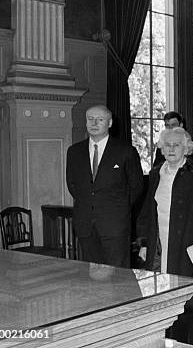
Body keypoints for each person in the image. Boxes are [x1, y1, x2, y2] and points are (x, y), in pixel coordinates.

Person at [135, 127, 193, 342]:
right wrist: (144, 243)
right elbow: (147, 209)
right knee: (158, 295)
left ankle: (184, 342)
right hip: (159, 244)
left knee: (184, 298)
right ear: (161, 149)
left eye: (176, 145)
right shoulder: (156, 173)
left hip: (187, 243)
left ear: (187, 148)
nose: (171, 149)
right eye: (167, 145)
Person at [66, 105, 144, 267]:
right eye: (90, 119)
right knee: (91, 275)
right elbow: (72, 185)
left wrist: (117, 207)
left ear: (109, 123)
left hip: (115, 225)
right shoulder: (74, 152)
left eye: (100, 119)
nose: (94, 123)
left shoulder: (125, 151)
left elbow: (136, 187)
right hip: (86, 225)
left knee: (118, 275)